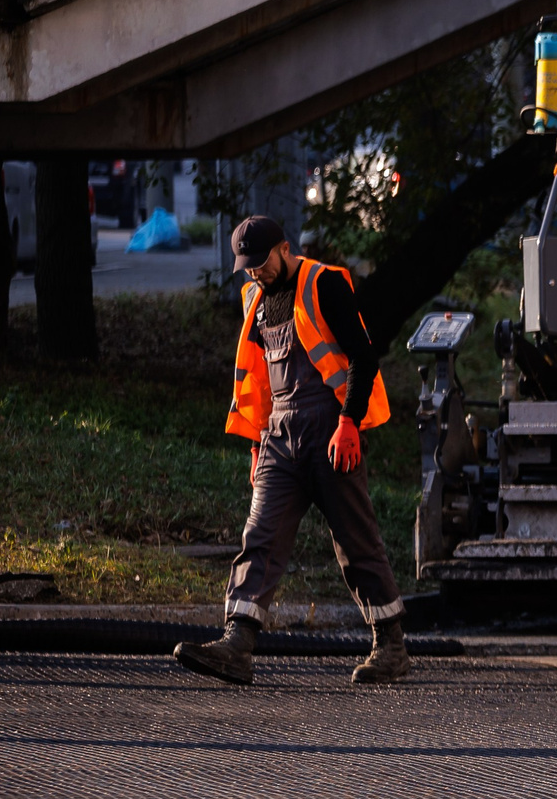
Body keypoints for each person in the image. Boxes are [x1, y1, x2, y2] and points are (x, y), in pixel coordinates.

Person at [174, 216, 408, 686]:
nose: (255, 271)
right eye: (247, 266)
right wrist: (257, 443)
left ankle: (391, 647)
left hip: (330, 427)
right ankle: (237, 644)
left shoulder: (323, 284)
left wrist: (349, 423)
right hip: (279, 435)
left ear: (285, 249)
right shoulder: (256, 300)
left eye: (261, 262)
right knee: (260, 534)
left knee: (355, 541)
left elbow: (363, 357)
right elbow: (262, 380)